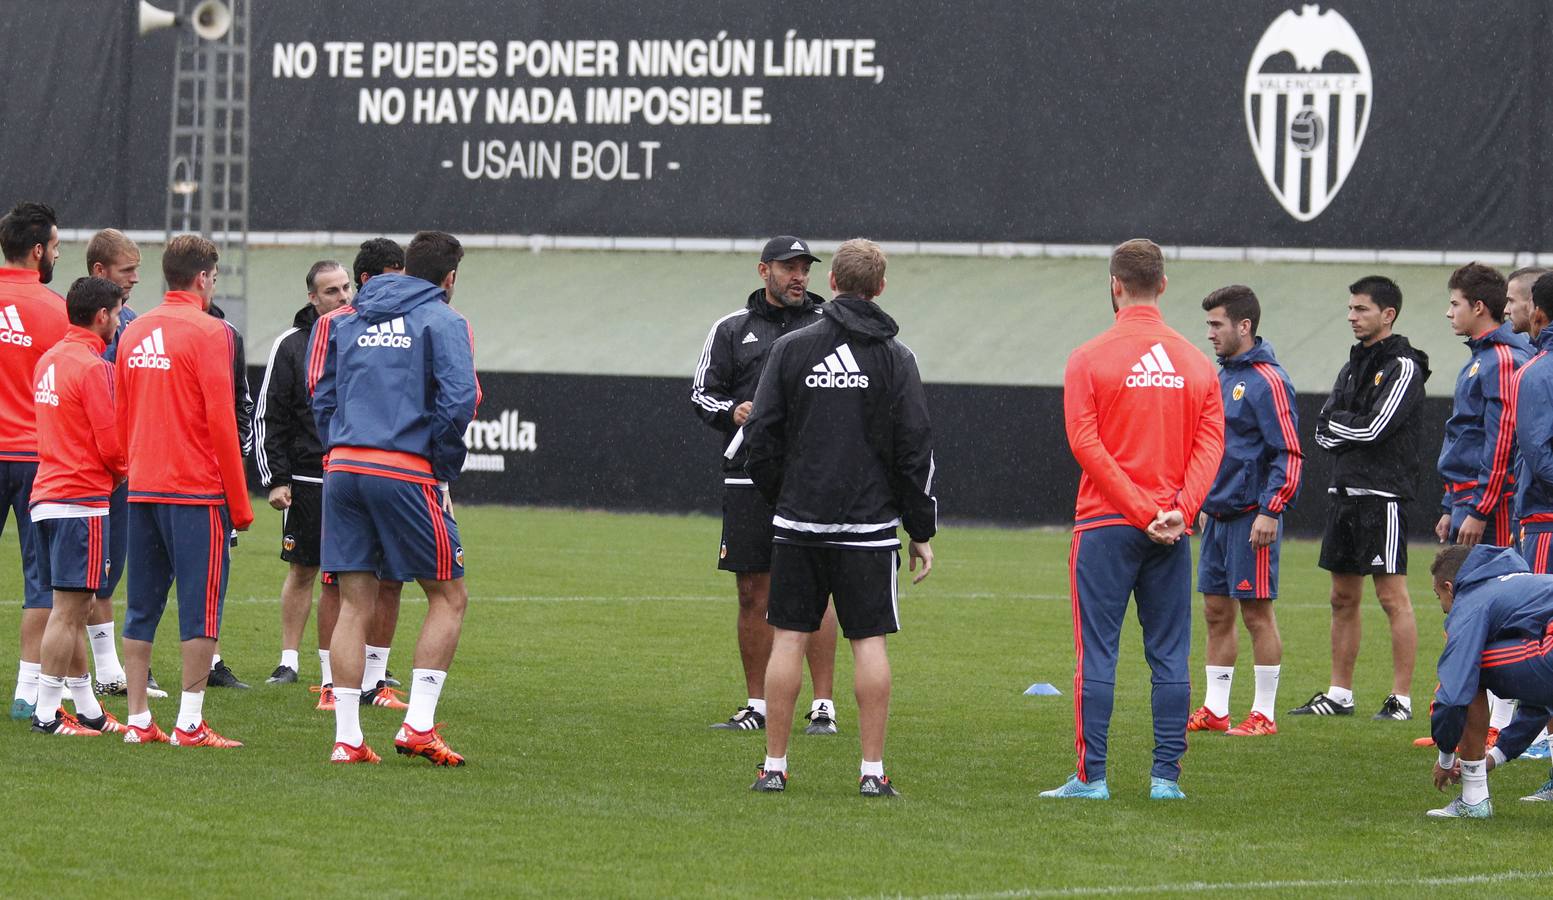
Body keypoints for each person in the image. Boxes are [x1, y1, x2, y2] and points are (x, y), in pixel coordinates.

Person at [742, 238, 935, 797]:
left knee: (788, 640)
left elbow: (760, 439)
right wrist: (919, 527)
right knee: (869, 642)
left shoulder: (793, 348)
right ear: (880, 287)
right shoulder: (897, 357)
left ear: (833, 283)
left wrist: (787, 496)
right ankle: (872, 774)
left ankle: (774, 767)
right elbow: (914, 449)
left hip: (800, 522)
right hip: (869, 527)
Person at [1042, 238, 1223, 801]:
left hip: (1106, 524)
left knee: (1097, 651)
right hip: (1170, 528)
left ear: (1115, 285)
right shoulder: (1196, 361)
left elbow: (1085, 444)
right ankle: (1165, 779)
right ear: (1163, 285)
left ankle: (1092, 778)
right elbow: (1211, 445)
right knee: (1169, 653)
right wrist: (1177, 511)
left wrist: (1141, 510)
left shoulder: (1089, 357)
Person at [310, 230, 478, 765]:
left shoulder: (349, 318)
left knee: (355, 603)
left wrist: (338, 446)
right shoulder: (445, 321)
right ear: (449, 278)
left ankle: (348, 738)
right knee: (448, 597)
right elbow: (457, 403)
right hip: (403, 469)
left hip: (344, 465)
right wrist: (442, 469)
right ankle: (419, 726)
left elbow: (324, 395)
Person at [690, 235, 839, 733]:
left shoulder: (829, 325)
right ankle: (756, 705)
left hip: (813, 476)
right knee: (753, 592)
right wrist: (733, 411)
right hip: (748, 475)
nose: (799, 276)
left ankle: (823, 706)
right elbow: (701, 393)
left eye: (805, 268)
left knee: (820, 589)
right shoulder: (732, 329)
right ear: (764, 271)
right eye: (788, 267)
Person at [115, 234, 255, 747]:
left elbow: (122, 414)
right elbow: (223, 422)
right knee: (201, 606)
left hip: (143, 488)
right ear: (202, 279)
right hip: (196, 492)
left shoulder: (134, 330)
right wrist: (239, 505)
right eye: (214, 277)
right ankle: (190, 723)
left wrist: (133, 469)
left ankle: (136, 720)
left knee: (141, 605)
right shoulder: (212, 332)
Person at [1298, 276, 1431, 720]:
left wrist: (1341, 423)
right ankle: (1340, 695)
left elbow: (1375, 429)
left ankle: (1401, 699)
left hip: (1383, 495)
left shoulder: (1404, 366)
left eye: (1362, 309)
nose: (1352, 317)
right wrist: (1344, 423)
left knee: (1392, 598)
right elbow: (1320, 428)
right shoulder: (1353, 364)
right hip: (1344, 492)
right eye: (1350, 309)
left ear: (1387, 314)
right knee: (1341, 597)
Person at [1189, 285, 1301, 737]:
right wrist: (1200, 499)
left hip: (1252, 515)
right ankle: (1216, 710)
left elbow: (1288, 452)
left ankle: (1264, 714)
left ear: (1244, 326)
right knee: (1216, 610)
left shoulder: (1269, 380)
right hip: (1217, 514)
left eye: (1217, 324)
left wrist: (1271, 510)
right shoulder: (1222, 376)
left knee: (1256, 613)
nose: (1211, 333)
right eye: (1209, 325)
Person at [1433, 262, 1532, 743]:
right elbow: (1466, 438)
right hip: (1468, 502)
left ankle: (1497, 720)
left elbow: (1501, 442)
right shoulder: (1480, 357)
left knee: (1486, 604)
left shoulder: (1502, 359)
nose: (1448, 312)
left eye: (1454, 303)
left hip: (1489, 508)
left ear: (1478, 307)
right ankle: (1476, 712)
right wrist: (1453, 502)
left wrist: (1479, 507)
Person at [27, 276, 129, 735]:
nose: (122, 318)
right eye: (120, 310)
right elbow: (111, 445)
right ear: (102, 315)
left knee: (75, 605)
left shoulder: (49, 359)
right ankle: (47, 714)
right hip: (80, 500)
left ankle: (86, 707)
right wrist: (128, 471)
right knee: (69, 611)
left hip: (48, 493)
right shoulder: (93, 367)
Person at [255, 260, 357, 693]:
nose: (343, 297)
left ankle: (358, 665)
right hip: (308, 478)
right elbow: (269, 416)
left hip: (351, 474)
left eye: (346, 287)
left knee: (355, 575)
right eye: (331, 291)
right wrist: (276, 478)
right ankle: (289, 660)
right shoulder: (291, 345)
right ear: (312, 298)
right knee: (303, 570)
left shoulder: (362, 338)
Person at [84, 229, 167, 701]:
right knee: (76, 580)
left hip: (122, 466)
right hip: (83, 468)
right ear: (100, 272)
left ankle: (112, 671)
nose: (136, 278)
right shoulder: (72, 323)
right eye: (127, 270)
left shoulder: (132, 321)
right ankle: (53, 681)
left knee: (109, 571)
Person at [0, 202, 71, 721]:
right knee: (40, 579)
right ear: (38, 250)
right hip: (35, 458)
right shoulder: (57, 310)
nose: (58, 254)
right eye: (56, 246)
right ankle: (28, 692)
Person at [1423, 544, 1553, 817]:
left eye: (1439, 598)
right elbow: (1542, 693)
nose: (1444, 609)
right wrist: (1495, 757)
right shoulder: (1520, 584)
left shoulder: (1471, 600)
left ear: (1449, 587)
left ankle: (1473, 799)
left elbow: (1454, 693)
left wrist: (1446, 758)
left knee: (1472, 667)